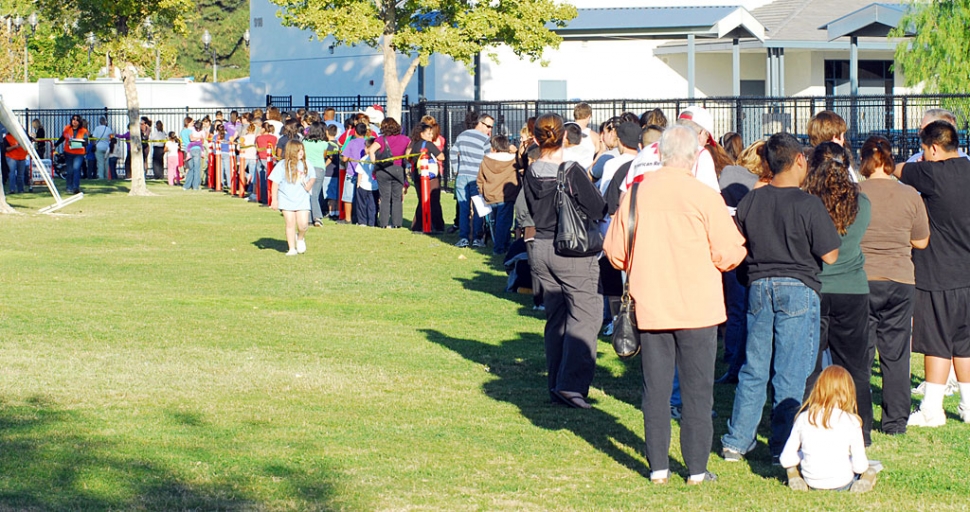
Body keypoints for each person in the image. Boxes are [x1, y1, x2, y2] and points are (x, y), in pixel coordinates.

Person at [604, 124, 746, 486]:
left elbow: (615, 253)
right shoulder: (704, 197)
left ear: (660, 155)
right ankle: (696, 469)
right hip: (699, 308)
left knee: (656, 390)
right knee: (699, 392)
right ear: (695, 156)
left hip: (651, 304)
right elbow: (730, 254)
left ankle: (658, 468)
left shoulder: (635, 195)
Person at [721, 132, 841, 464]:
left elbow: (738, 243)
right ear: (800, 159)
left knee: (754, 367)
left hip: (759, 287)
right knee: (790, 371)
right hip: (798, 288)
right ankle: (782, 445)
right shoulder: (808, 204)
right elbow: (830, 254)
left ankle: (736, 441)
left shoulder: (750, 201)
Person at [522, 113, 607, 410]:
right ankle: (571, 385)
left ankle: (557, 382)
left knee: (557, 318)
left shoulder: (530, 171)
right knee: (587, 316)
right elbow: (598, 206)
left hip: (541, 248)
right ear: (566, 138)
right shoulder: (571, 170)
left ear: (535, 139)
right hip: (571, 251)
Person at [893, 120, 970, 427]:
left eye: (923, 150)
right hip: (967, 273)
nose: (921, 155)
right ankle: (967, 406)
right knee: (965, 343)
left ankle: (932, 410)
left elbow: (898, 170)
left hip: (937, 272)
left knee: (938, 341)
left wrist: (915, 164)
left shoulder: (930, 173)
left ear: (934, 148)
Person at [857, 136, 929, 435]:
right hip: (900, 278)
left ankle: (859, 416)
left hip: (862, 279)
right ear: (890, 160)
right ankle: (896, 420)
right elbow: (921, 241)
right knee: (896, 353)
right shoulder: (910, 194)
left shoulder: (854, 192)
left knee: (861, 351)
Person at [803, 142, 873, 446]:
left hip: (815, 287)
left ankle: (805, 423)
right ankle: (862, 429)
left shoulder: (806, 202)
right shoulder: (863, 203)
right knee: (856, 365)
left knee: (808, 364)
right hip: (852, 289)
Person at [781, 365, 876, 492]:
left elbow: (786, 459)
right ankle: (864, 482)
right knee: (869, 470)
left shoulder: (803, 418)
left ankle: (794, 475)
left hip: (811, 481)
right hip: (842, 482)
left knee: (793, 465)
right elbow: (860, 466)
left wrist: (802, 454)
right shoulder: (852, 421)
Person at [714, 140, 760, 385]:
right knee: (743, 308)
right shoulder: (754, 184)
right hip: (746, 250)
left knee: (734, 307)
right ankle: (737, 359)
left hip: (727, 247)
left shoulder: (728, 174)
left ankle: (731, 356)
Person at [451, 113, 493, 248]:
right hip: (477, 177)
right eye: (488, 126)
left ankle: (463, 238)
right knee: (478, 208)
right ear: (480, 123)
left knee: (464, 208)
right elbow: (489, 159)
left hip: (462, 175)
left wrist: (455, 169)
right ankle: (477, 238)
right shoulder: (485, 140)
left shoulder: (462, 135)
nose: (489, 130)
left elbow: (453, 153)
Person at [270, 140, 315, 256]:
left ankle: (300, 238)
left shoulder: (306, 164)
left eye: (302, 150)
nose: (301, 153)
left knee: (303, 224)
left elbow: (313, 177)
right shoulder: (282, 165)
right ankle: (291, 248)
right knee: (290, 223)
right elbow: (275, 183)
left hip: (302, 198)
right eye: (299, 150)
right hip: (286, 198)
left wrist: (309, 185)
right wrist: (274, 200)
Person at [476, 135, 520, 253]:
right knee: (504, 223)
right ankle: (500, 247)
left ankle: (503, 244)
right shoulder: (513, 160)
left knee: (496, 222)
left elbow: (480, 178)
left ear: (493, 147)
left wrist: (482, 191)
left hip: (490, 195)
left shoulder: (485, 160)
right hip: (506, 195)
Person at [373, 117, 411, 229]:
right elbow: (408, 154)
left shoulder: (381, 139)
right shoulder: (405, 139)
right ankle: (397, 223)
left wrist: (374, 162)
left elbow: (370, 150)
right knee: (397, 197)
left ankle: (384, 223)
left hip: (383, 169)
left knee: (384, 197)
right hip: (398, 169)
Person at [408, 123, 446, 233]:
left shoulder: (414, 144)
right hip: (430, 176)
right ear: (421, 134)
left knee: (422, 200)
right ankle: (437, 226)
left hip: (417, 175)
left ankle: (417, 225)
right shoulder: (428, 145)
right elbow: (441, 157)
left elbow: (409, 158)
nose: (431, 136)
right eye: (428, 133)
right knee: (433, 200)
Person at [55, 114, 88, 195]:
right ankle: (69, 187)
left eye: (77, 120)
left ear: (79, 122)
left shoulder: (84, 131)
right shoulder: (67, 128)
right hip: (68, 152)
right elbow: (62, 138)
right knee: (69, 171)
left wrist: (77, 143)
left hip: (79, 153)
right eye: (73, 119)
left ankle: (76, 187)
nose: (75, 121)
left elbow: (86, 142)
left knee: (76, 170)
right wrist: (56, 144)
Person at [562, 102, 599, 169]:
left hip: (563, 170)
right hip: (584, 172)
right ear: (589, 116)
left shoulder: (564, 128)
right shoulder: (593, 136)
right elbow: (598, 153)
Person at [4, 130, 29, 194]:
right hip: (12, 157)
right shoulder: (7, 137)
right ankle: (12, 189)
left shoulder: (23, 136)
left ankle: (21, 190)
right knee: (12, 173)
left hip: (22, 157)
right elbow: (6, 149)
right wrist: (15, 146)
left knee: (21, 175)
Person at [183, 120, 205, 190]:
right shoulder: (202, 132)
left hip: (190, 149)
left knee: (190, 168)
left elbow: (190, 138)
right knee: (197, 169)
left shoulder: (191, 129)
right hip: (197, 149)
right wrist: (199, 138)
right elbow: (202, 141)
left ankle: (187, 186)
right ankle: (195, 186)